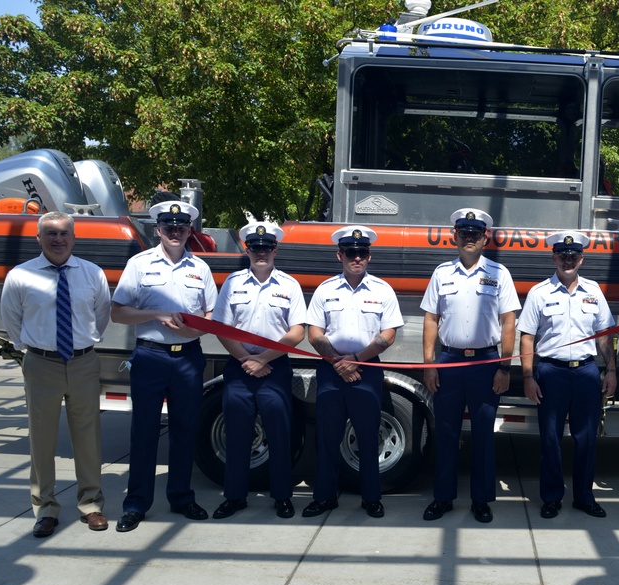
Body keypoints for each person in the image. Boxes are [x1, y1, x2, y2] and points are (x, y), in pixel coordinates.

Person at [0, 211, 111, 537]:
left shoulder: (92, 274)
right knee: (42, 439)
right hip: (41, 364)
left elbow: (101, 316)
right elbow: (12, 321)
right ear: (39, 238)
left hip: (83, 363)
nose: (58, 239)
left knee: (88, 438)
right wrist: (34, 347)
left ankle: (91, 505)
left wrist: (80, 346)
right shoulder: (21, 276)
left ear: (74, 238)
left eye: (64, 233)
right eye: (50, 233)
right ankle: (45, 509)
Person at [111, 200, 218, 532]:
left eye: (181, 228)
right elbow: (118, 312)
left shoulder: (199, 268)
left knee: (185, 430)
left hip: (187, 357)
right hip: (150, 356)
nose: (175, 233)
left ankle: (182, 497)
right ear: (157, 230)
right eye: (169, 228)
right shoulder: (140, 265)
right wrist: (155, 314)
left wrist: (192, 328)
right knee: (143, 431)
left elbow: (212, 316)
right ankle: (136, 504)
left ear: (190, 231)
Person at [421, 208, 520, 524]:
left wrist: (504, 368)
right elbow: (431, 319)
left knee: (483, 434)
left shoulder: (498, 274)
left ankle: (481, 500)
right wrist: (429, 364)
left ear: (485, 237)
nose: (469, 238)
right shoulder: (441, 274)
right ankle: (443, 498)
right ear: (455, 236)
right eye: (464, 233)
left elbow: (508, 323)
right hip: (448, 361)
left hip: (486, 364)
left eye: (475, 233)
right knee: (447, 432)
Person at [304, 225, 403, 518]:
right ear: (340, 255)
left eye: (361, 253)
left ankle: (371, 498)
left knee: (368, 436)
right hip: (331, 372)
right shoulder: (325, 290)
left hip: (367, 373)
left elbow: (389, 335)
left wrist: (356, 360)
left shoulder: (382, 290)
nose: (356, 257)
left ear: (369, 256)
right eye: (350, 252)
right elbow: (314, 334)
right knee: (327, 437)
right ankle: (324, 498)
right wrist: (339, 363)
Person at [517, 231, 617, 519]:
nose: (568, 260)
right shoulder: (539, 293)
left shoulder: (593, 291)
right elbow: (527, 338)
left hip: (586, 372)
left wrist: (610, 370)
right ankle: (551, 497)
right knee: (550, 439)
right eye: (562, 255)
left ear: (581, 259)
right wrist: (527, 376)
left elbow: (605, 335)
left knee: (586, 439)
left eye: (573, 256)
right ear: (554, 257)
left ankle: (584, 497)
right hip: (551, 373)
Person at [211, 222, 306, 520]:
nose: (261, 252)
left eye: (266, 247)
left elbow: (297, 332)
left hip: (274, 368)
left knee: (280, 434)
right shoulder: (233, 283)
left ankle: (282, 497)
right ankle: (234, 496)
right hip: (240, 368)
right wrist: (245, 359)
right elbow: (221, 328)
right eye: (255, 248)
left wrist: (263, 359)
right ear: (246, 249)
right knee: (238, 434)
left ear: (275, 249)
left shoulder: (289, 285)